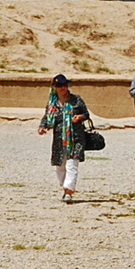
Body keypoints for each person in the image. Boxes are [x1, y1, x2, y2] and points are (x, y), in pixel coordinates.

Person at [38, 74, 91, 202]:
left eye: (65, 85)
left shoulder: (76, 100)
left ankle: (69, 192)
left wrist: (79, 117)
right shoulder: (52, 104)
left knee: (72, 164)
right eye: (60, 85)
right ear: (55, 87)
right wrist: (42, 127)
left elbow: (86, 113)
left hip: (75, 138)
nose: (63, 88)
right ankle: (66, 187)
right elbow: (47, 118)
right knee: (60, 166)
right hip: (59, 139)